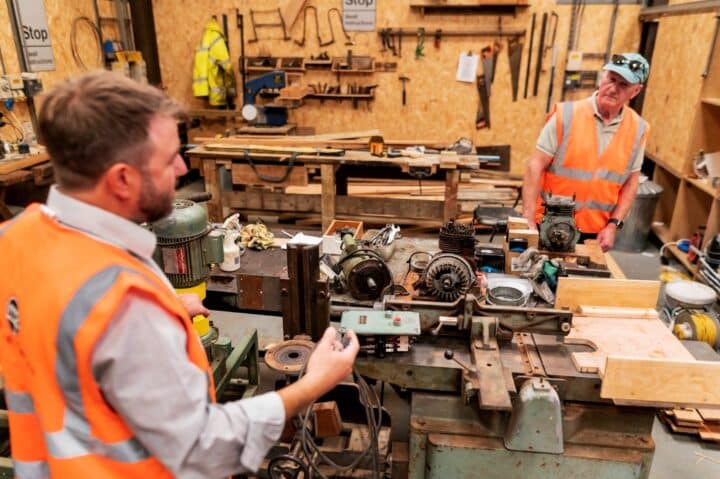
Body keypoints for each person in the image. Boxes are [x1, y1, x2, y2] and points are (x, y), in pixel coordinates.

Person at [0, 71, 359, 479]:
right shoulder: (125, 304)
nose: (182, 166)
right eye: (170, 157)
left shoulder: (15, 239)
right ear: (122, 178)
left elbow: (61, 326)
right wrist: (314, 383)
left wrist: (160, 313)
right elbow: (203, 446)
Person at [522, 53, 650, 252]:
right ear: (602, 77)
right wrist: (527, 218)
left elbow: (631, 182)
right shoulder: (566, 115)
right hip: (548, 223)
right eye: (611, 79)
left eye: (623, 85)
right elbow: (535, 165)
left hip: (594, 232)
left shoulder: (638, 129)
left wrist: (613, 225)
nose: (613, 88)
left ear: (636, 91)